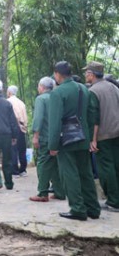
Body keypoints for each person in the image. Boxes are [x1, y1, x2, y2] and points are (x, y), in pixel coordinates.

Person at [49, 61, 101, 221]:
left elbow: (55, 121)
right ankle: (93, 208)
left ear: (58, 74)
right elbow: (92, 114)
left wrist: (53, 145)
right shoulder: (84, 89)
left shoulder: (58, 93)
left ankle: (78, 209)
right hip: (83, 136)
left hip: (67, 139)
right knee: (85, 173)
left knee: (69, 174)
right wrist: (91, 136)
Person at [84, 61, 119, 212]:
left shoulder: (93, 91)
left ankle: (113, 201)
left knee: (105, 169)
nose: (85, 75)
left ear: (91, 74)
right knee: (116, 165)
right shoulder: (114, 87)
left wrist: (93, 139)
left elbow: (94, 118)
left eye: (86, 73)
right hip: (117, 133)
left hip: (103, 135)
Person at [29, 77, 65, 202]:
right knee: (55, 164)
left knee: (43, 163)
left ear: (42, 87)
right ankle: (60, 191)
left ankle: (42, 192)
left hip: (45, 137)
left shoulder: (41, 99)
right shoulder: (57, 96)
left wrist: (35, 136)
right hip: (58, 136)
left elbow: (38, 118)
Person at [7, 85, 28, 177]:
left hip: (12, 127)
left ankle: (14, 171)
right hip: (22, 127)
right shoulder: (21, 103)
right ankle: (23, 170)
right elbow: (25, 117)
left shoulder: (7, 102)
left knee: (13, 149)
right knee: (22, 149)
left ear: (9, 92)